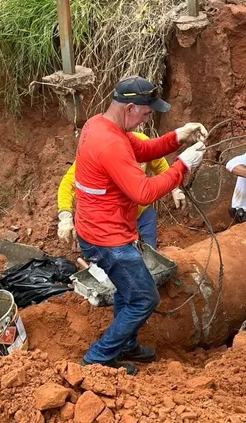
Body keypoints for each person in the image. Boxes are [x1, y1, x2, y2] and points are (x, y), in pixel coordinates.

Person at [74, 76, 207, 374]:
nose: (147, 119)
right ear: (131, 107)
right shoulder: (109, 143)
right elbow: (144, 192)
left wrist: (177, 138)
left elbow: (144, 150)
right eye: (146, 114)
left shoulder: (101, 124)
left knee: (126, 289)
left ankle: (127, 344)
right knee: (144, 298)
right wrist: (182, 166)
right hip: (107, 238)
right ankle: (98, 358)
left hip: (101, 227)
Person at [56, 131, 187, 249]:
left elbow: (159, 164)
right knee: (116, 264)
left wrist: (175, 188)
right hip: (111, 221)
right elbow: (68, 184)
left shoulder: (141, 142)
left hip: (142, 213)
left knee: (150, 256)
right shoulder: (95, 150)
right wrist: (65, 216)